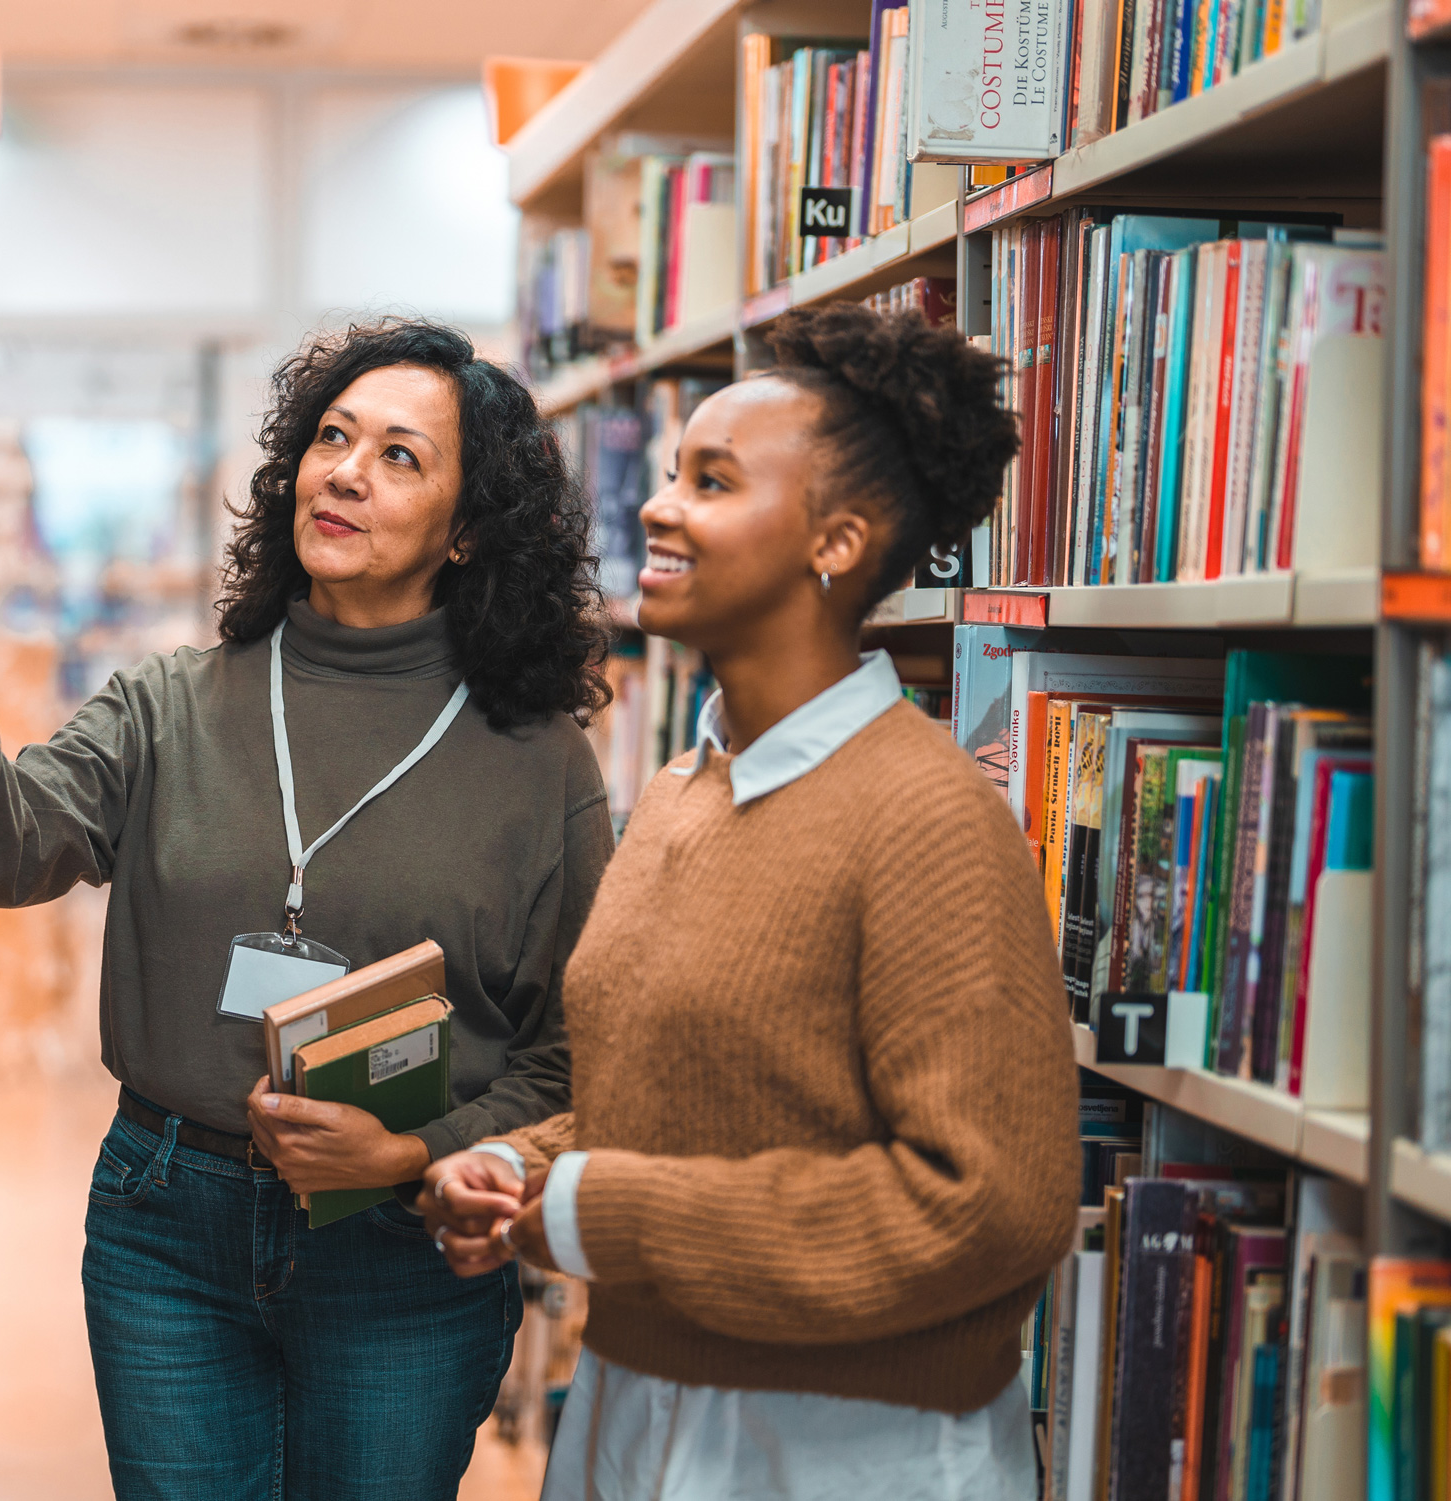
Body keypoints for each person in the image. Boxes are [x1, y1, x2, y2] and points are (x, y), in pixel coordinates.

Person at [0, 317, 615, 1500]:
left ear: (468, 532)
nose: (344, 469)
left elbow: (571, 1056)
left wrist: (414, 1152)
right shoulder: (172, 704)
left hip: (402, 1242)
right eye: (331, 437)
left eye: (400, 455)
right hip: (167, 1222)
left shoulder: (538, 764)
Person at [422, 302, 1080, 1500]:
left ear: (835, 542)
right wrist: (521, 1169)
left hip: (842, 1441)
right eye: (669, 474)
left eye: (712, 483)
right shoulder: (679, 789)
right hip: (639, 1403)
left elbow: (989, 1205)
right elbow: (676, 1109)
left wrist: (599, 1206)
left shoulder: (925, 816)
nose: (658, 507)